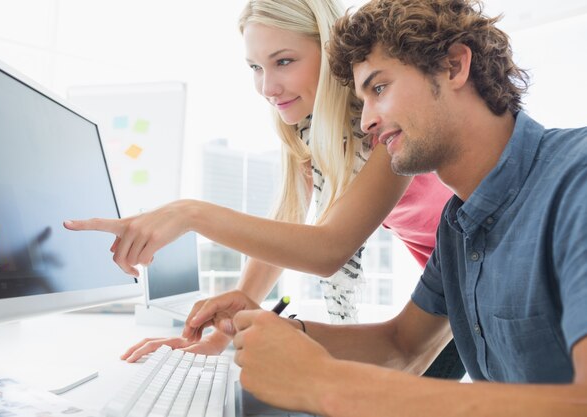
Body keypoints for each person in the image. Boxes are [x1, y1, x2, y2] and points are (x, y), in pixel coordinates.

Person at [184, 0, 587, 415]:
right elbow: (401, 346)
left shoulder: (576, 180)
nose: (366, 123)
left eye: (379, 89)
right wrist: (271, 332)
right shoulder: (458, 229)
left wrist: (327, 384)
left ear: (453, 67)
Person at [64, 0, 463, 378]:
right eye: (255, 66)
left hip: (475, 269)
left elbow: (327, 249)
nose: (267, 86)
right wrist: (219, 333)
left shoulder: (385, 121)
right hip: (445, 276)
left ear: (330, 52)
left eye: (284, 62)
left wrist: (188, 213)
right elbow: (286, 226)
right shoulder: (308, 129)